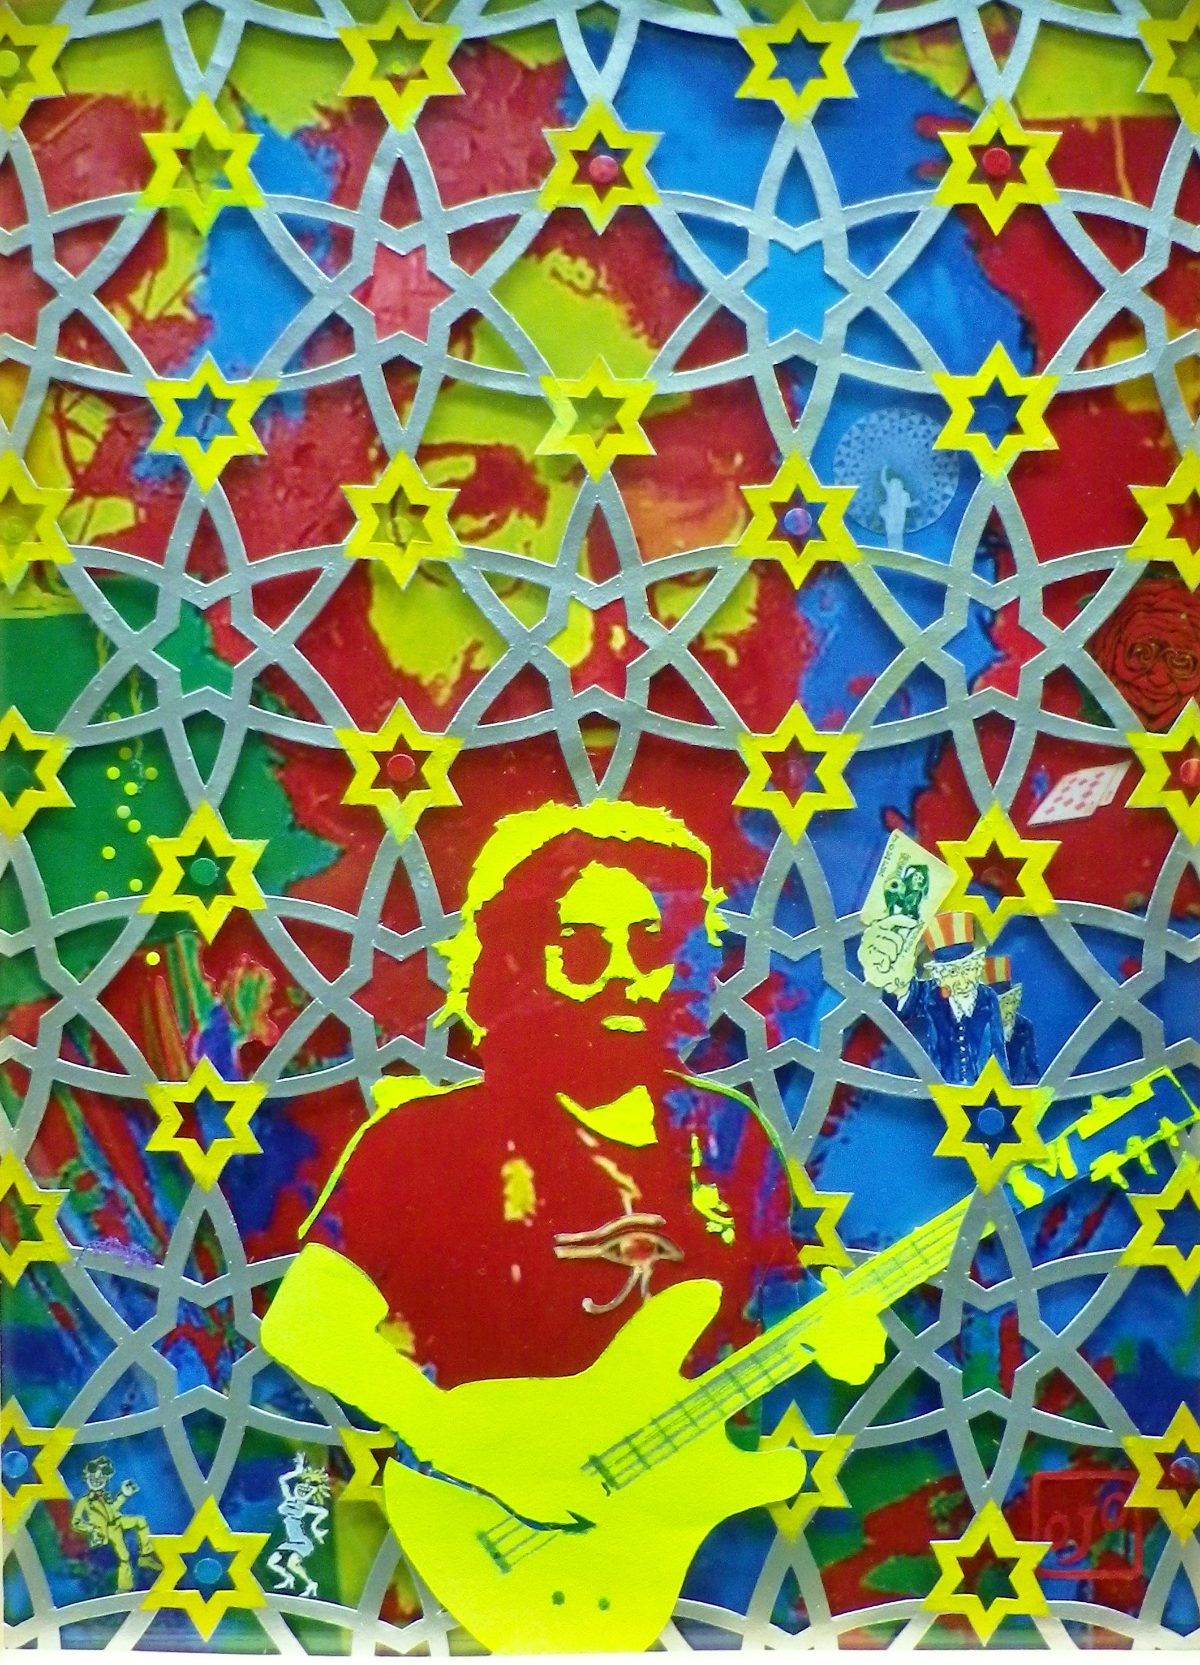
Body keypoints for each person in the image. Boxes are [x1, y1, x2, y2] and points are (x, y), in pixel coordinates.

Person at [263, 801, 888, 1391]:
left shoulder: (728, 1129)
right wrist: (439, 1428)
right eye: (582, 948)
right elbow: (303, 1324)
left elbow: (772, 1300)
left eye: (652, 945)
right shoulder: (422, 1142)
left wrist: (829, 1333)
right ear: (508, 966)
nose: (624, 974)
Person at [888, 911, 1008, 1086]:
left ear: (977, 966)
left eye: (968, 969)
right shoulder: (929, 994)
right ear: (940, 976)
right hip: (941, 1090)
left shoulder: (988, 997)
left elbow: (997, 1050)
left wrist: (1003, 1090)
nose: (963, 981)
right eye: (952, 973)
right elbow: (903, 1007)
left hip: (981, 1090)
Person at [70, 1455, 160, 1593]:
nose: (97, 1480)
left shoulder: (105, 1496)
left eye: (101, 1478)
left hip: (117, 1521)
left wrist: (124, 1495)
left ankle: (145, 1556)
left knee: (140, 1521)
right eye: (93, 1477)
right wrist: (91, 1529)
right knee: (124, 1557)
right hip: (106, 1530)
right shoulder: (83, 1501)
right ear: (86, 1477)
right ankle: (124, 1587)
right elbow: (75, 1522)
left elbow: (113, 1509)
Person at [983, 955, 1039, 1084]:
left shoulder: (1023, 1026)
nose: (1008, 1010)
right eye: (1002, 1004)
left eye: (1009, 1002)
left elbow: (1032, 1073)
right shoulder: (979, 1029)